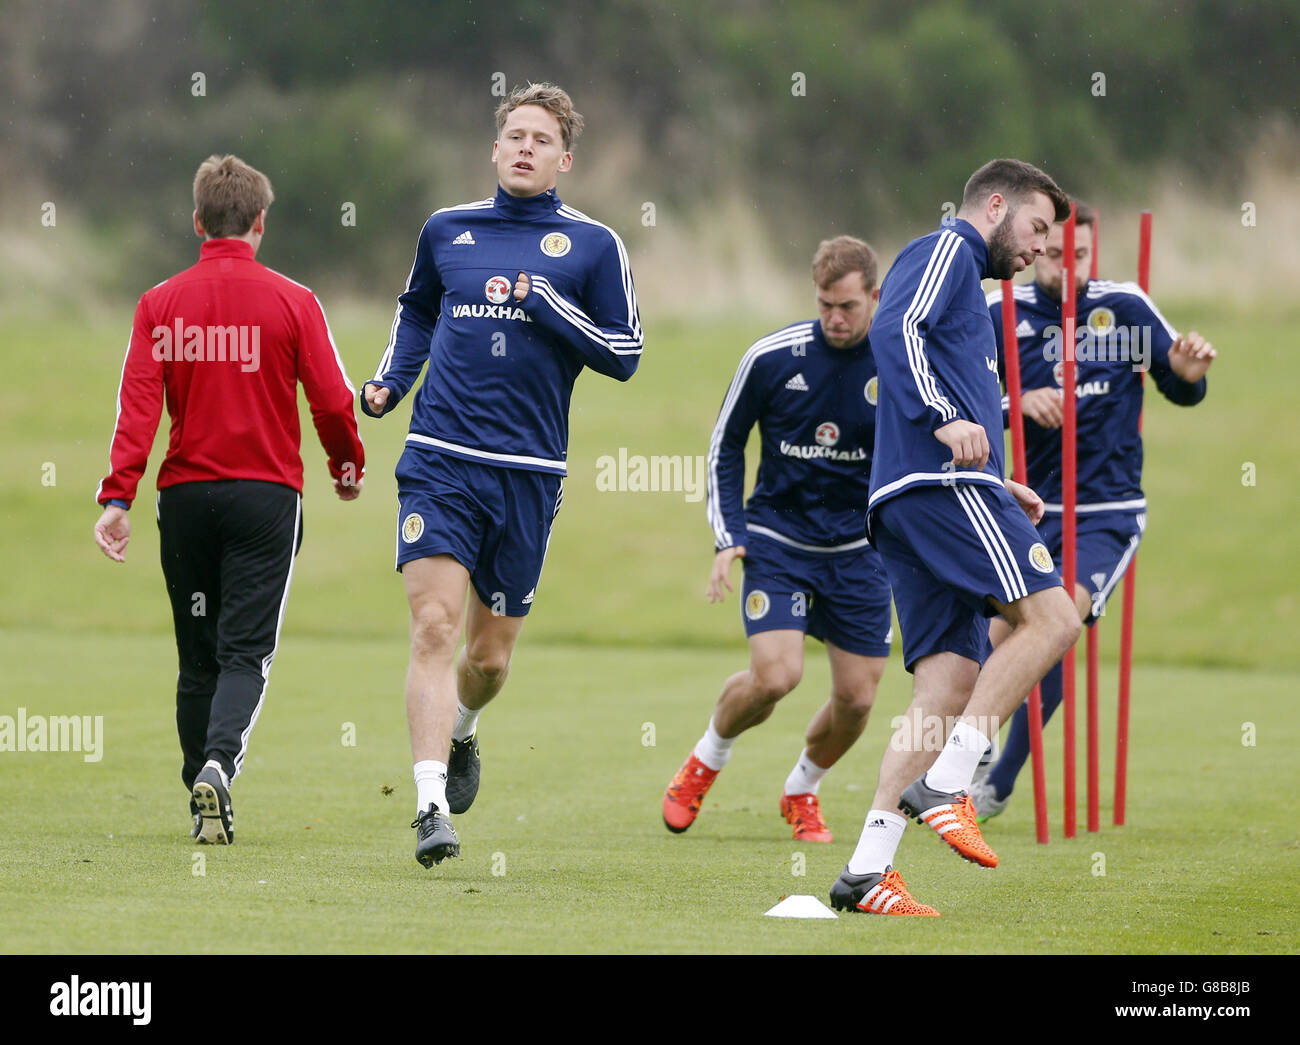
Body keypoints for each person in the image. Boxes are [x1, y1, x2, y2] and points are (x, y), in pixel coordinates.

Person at [362, 83, 643, 869]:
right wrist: (392, 379)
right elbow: (417, 310)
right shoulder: (447, 230)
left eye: (540, 139)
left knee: (486, 660)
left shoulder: (593, 247)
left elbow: (624, 354)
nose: (524, 147)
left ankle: (463, 731)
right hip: (439, 458)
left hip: (528, 472)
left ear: (565, 159)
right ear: (494, 149)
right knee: (433, 627)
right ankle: (427, 807)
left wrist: (549, 306)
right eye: (513, 134)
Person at [827, 158, 1083, 917]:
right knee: (1055, 616)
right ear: (995, 205)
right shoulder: (945, 250)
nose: (1041, 247)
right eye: (1037, 226)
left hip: (925, 493)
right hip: (937, 488)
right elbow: (895, 331)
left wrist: (999, 478)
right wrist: (946, 417)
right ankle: (952, 777)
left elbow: (946, 377)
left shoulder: (970, 284)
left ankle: (867, 868)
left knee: (946, 685)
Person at [93, 154, 366, 845]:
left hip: (186, 498)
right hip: (266, 496)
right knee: (247, 653)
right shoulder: (295, 301)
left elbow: (139, 405)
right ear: (261, 223)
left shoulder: (159, 303)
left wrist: (117, 495)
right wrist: (346, 462)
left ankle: (199, 791)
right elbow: (332, 400)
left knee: (197, 656)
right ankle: (220, 765)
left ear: (197, 222)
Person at [972, 203, 1215, 820]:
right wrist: (1017, 403)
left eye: (1080, 255)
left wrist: (1188, 374)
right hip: (1023, 507)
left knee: (1058, 625)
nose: (1068, 267)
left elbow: (1179, 384)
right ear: (1032, 249)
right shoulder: (1001, 312)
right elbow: (966, 407)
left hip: (1107, 510)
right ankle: (973, 745)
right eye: (1055, 254)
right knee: (995, 637)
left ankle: (998, 780)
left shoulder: (1125, 307)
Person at [661, 237, 892, 844]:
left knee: (859, 700)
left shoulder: (898, 362)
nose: (835, 319)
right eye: (824, 306)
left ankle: (802, 789)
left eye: (847, 306)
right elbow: (724, 445)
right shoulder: (772, 356)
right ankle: (705, 761)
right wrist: (727, 536)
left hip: (860, 552)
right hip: (779, 540)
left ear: (875, 296)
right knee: (776, 676)